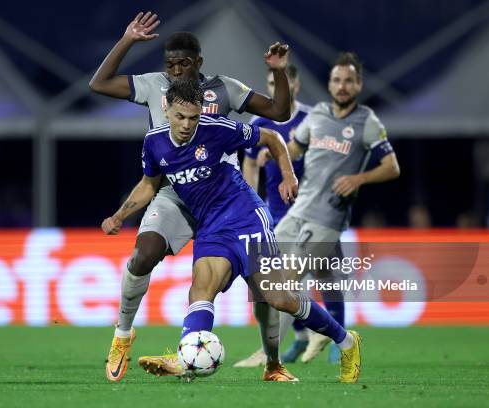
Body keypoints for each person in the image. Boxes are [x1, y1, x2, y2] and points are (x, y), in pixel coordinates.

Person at [102, 79, 362, 383]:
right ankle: (187, 356)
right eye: (180, 117)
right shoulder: (154, 142)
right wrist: (121, 215)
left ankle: (346, 341)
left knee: (278, 298)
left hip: (245, 217)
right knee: (201, 289)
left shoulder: (218, 128)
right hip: (210, 227)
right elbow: (149, 184)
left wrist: (288, 175)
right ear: (166, 109)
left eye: (193, 117)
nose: (187, 125)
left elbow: (273, 138)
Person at [89, 11, 292, 382]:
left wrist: (278, 71)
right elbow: (99, 84)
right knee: (143, 254)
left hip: (224, 198)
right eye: (170, 64)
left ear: (199, 63)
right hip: (173, 192)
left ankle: (273, 361)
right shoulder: (153, 85)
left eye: (184, 63)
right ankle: (122, 335)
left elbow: (278, 112)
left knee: (263, 289)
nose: (176, 70)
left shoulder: (224, 88)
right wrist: (128, 40)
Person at [265, 52, 400, 364]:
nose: (342, 86)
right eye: (337, 80)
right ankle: (336, 337)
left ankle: (272, 358)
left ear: (359, 85)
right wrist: (281, 160)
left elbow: (392, 167)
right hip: (298, 210)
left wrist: (359, 178)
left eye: (348, 81)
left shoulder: (367, 121)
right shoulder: (318, 115)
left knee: (289, 279)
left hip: (328, 216)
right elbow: (296, 147)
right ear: (329, 84)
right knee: (309, 274)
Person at [234, 64, 320, 368]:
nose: (274, 88)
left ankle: (270, 352)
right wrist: (249, 204)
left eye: (279, 82)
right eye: (270, 83)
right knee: (272, 286)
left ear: (294, 86)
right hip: (273, 216)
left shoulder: (312, 120)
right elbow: (251, 167)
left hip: (309, 214)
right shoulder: (260, 123)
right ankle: (312, 331)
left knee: (283, 284)